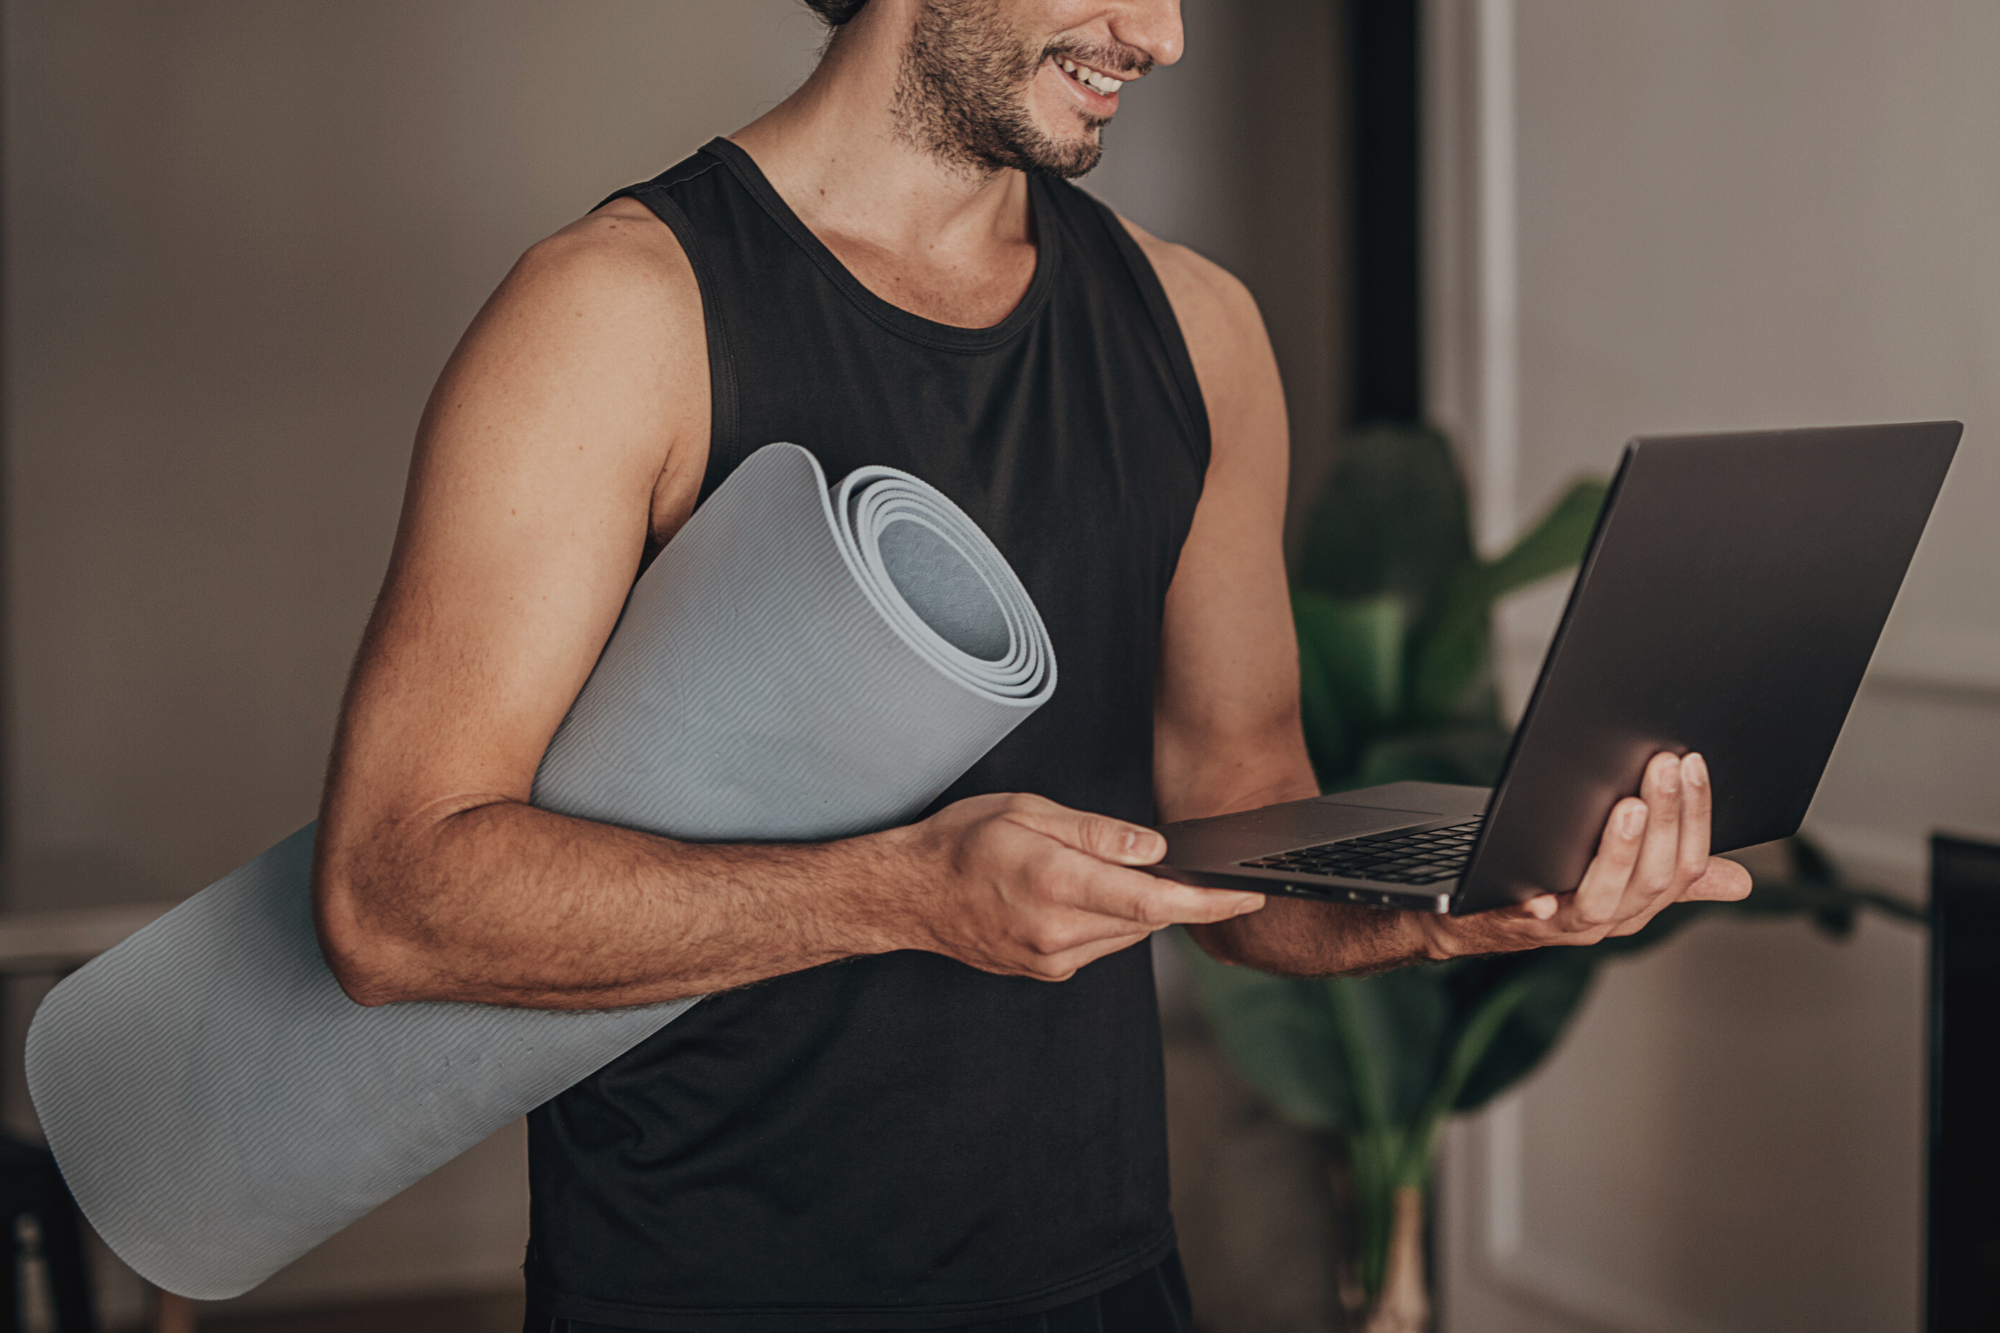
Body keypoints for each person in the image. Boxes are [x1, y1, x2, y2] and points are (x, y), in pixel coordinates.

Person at [310, 1, 1752, 1330]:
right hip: (703, 1284)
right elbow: (392, 901)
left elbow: (1237, 816)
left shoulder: (1199, 331)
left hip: (1104, 1272)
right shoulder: (616, 313)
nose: (1164, 33)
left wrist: (1461, 906)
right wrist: (901, 894)